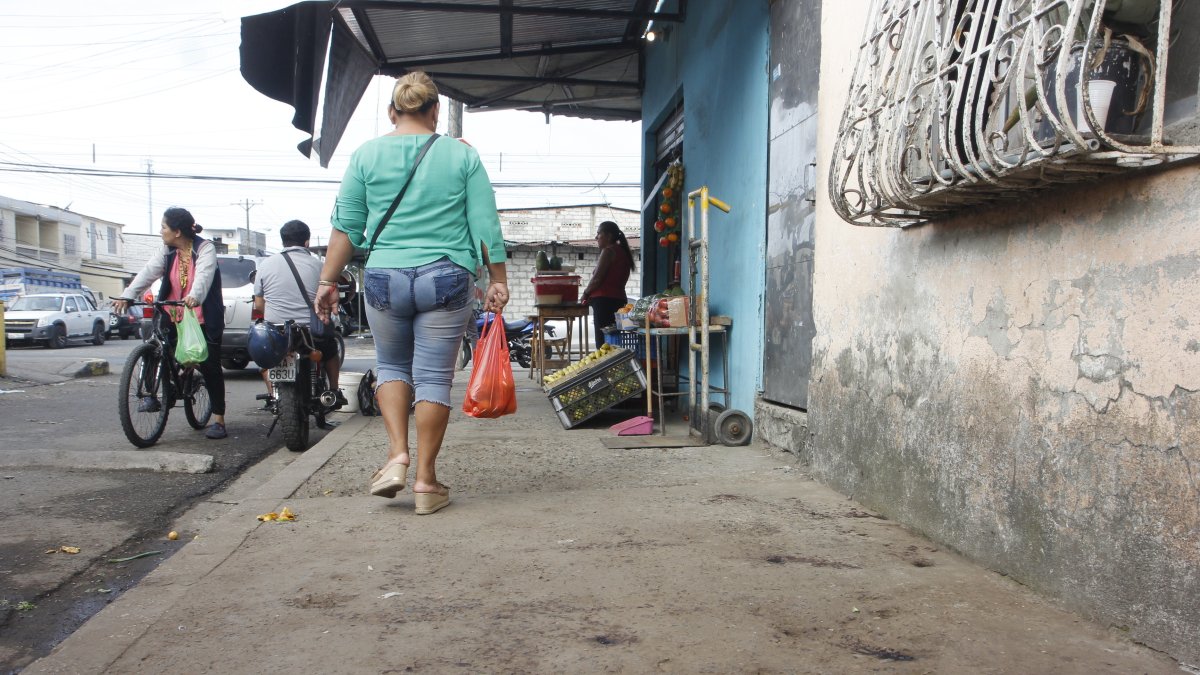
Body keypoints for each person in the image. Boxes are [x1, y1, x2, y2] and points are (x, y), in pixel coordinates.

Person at [314, 71, 509, 515]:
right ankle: (426, 482)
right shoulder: (462, 156)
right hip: (447, 275)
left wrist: (327, 280)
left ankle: (397, 456)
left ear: (392, 112)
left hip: (384, 275)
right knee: (434, 378)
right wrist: (497, 277)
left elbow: (347, 225)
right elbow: (485, 224)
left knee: (392, 366)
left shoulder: (366, 155)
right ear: (436, 111)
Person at [114, 207, 228, 439]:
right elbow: (147, 273)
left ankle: (218, 418)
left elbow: (204, 276)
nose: (161, 231)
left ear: (177, 231)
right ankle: (150, 394)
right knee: (154, 349)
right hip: (173, 312)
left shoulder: (204, 249)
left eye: (164, 227)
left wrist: (195, 295)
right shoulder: (167, 252)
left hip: (201, 315)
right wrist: (127, 294)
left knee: (209, 365)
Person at [252, 220, 345, 409]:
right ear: (307, 242)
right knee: (330, 350)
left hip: (277, 332)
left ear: (283, 241)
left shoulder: (266, 265)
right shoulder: (320, 266)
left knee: (264, 358)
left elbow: (259, 305)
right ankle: (334, 390)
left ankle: (273, 394)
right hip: (312, 332)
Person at [580, 220, 634, 348]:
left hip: (604, 303)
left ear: (609, 236)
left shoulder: (609, 251)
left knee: (603, 343)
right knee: (615, 342)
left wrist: (585, 294)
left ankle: (605, 367)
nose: (596, 237)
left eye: (599, 233)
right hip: (618, 302)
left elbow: (597, 279)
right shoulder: (623, 252)